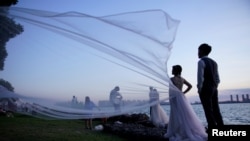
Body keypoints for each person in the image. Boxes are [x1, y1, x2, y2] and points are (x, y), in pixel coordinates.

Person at [164, 65, 207, 141]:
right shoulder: (182, 79)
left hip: (174, 98)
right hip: (181, 97)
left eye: (173, 69)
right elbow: (190, 86)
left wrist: (171, 98)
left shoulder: (171, 79)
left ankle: (178, 130)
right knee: (184, 113)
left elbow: (170, 91)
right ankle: (186, 128)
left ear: (176, 71)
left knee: (175, 114)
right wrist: (183, 92)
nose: (172, 71)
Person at [197, 43, 224, 129]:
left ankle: (212, 129)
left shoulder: (201, 61)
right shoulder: (214, 63)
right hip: (214, 88)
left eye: (199, 51)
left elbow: (200, 77)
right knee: (216, 110)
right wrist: (215, 86)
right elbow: (218, 79)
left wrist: (199, 88)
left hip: (205, 88)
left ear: (202, 51)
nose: (198, 53)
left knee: (208, 110)